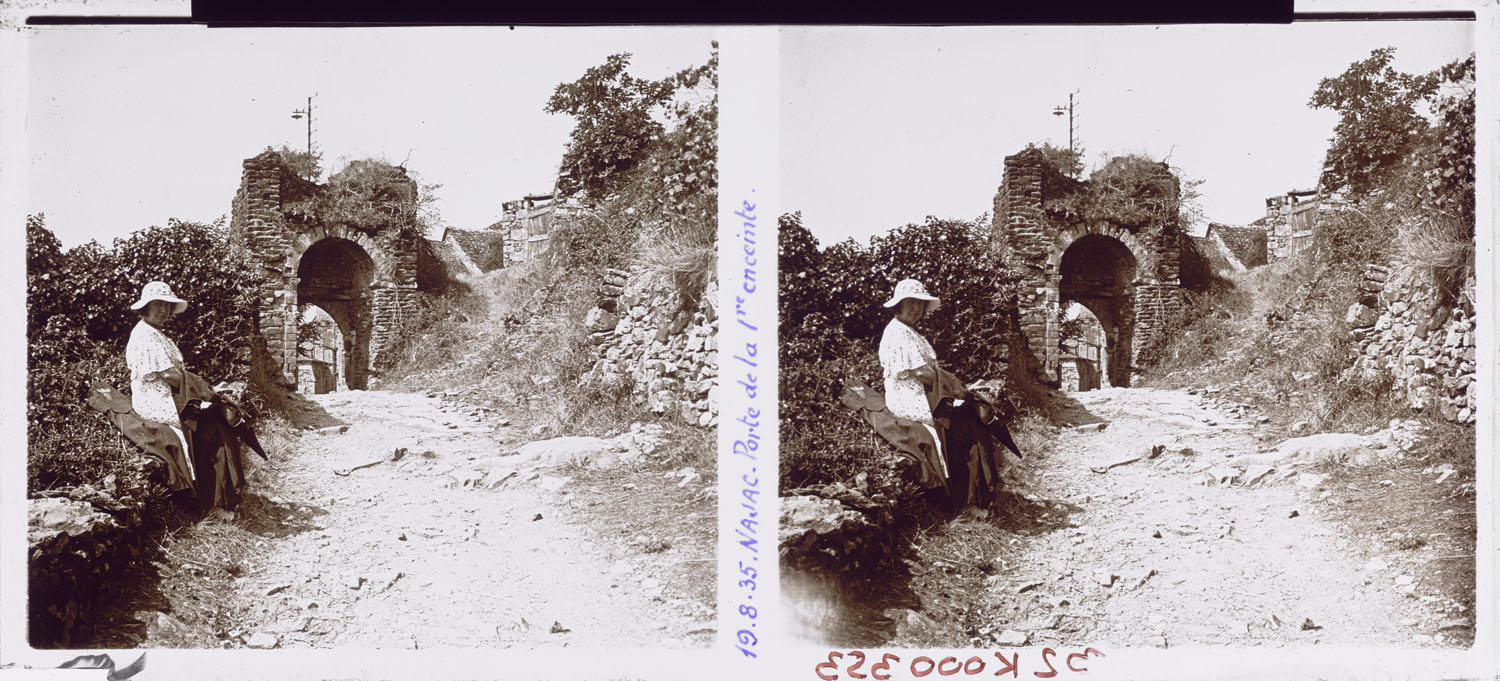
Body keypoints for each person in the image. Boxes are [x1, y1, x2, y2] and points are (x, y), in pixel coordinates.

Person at [877, 279, 948, 487]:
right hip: (907, 397)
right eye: (911, 302)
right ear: (898, 305)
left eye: (919, 303)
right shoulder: (898, 332)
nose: (916, 308)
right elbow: (922, 372)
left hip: (919, 392)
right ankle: (953, 492)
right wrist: (944, 380)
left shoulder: (911, 331)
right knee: (953, 421)